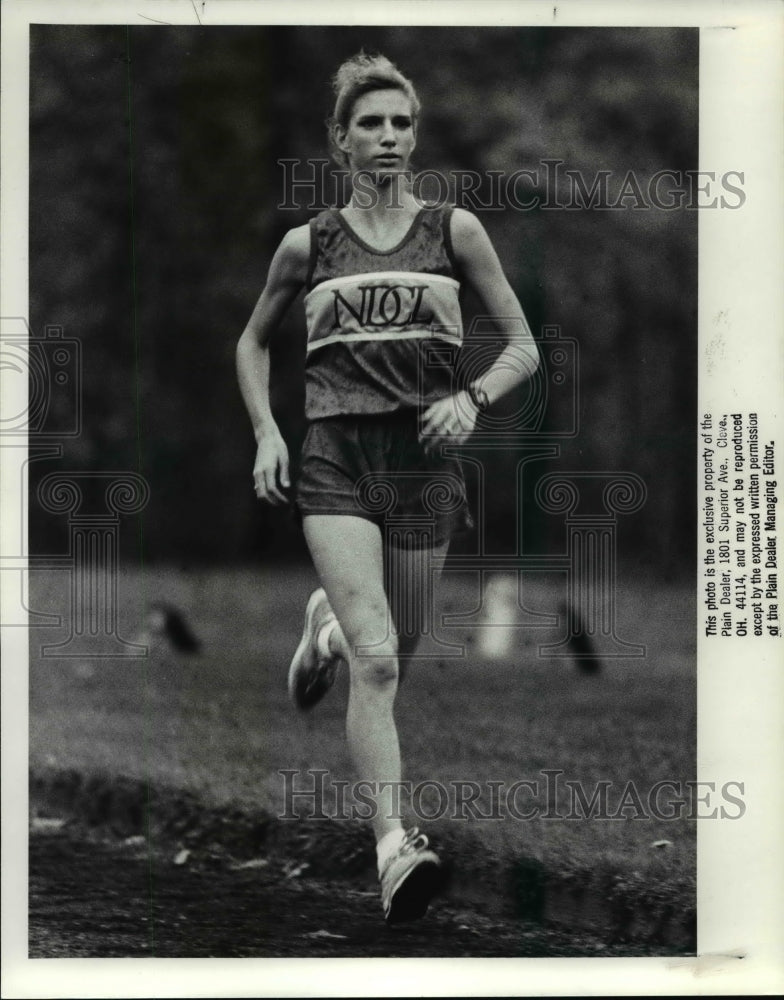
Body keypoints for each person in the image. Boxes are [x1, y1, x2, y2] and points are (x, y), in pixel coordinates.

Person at [236, 52, 539, 924]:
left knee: (386, 655)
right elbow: (252, 341)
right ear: (340, 139)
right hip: (335, 461)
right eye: (370, 123)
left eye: (401, 123)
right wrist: (266, 431)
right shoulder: (309, 244)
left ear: (415, 136)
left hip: (425, 469)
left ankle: (322, 632)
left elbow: (522, 345)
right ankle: (394, 848)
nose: (389, 138)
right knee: (380, 661)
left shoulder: (456, 232)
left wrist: (472, 399)